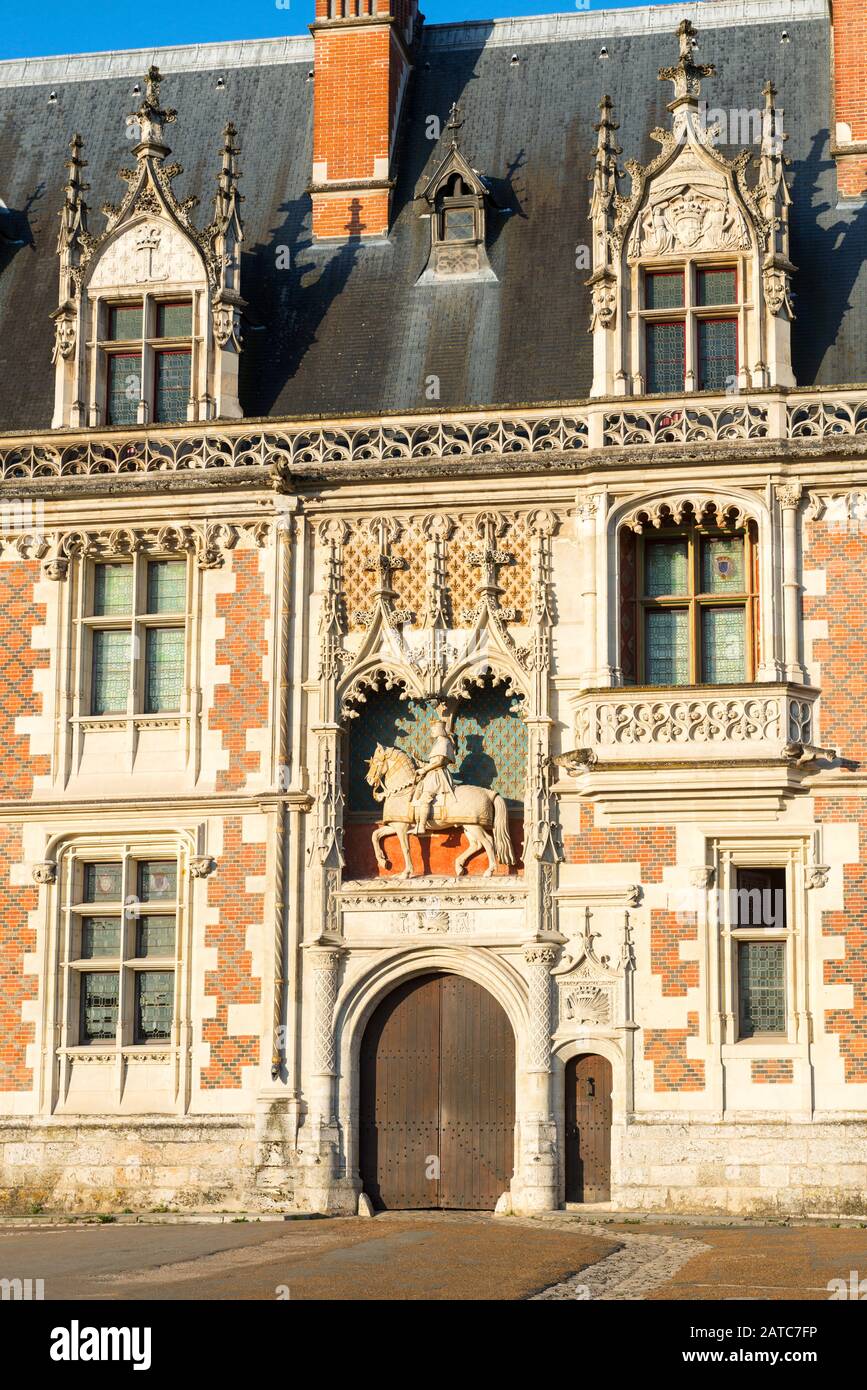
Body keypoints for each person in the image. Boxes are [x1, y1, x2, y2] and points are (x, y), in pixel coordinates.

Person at [411, 703, 457, 835]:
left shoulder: (444, 741)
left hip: (438, 775)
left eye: (433, 729)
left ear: (440, 730)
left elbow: (440, 761)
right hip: (432, 773)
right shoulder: (439, 742)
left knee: (425, 798)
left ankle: (421, 827)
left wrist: (424, 770)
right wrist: (419, 761)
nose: (431, 731)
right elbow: (433, 761)